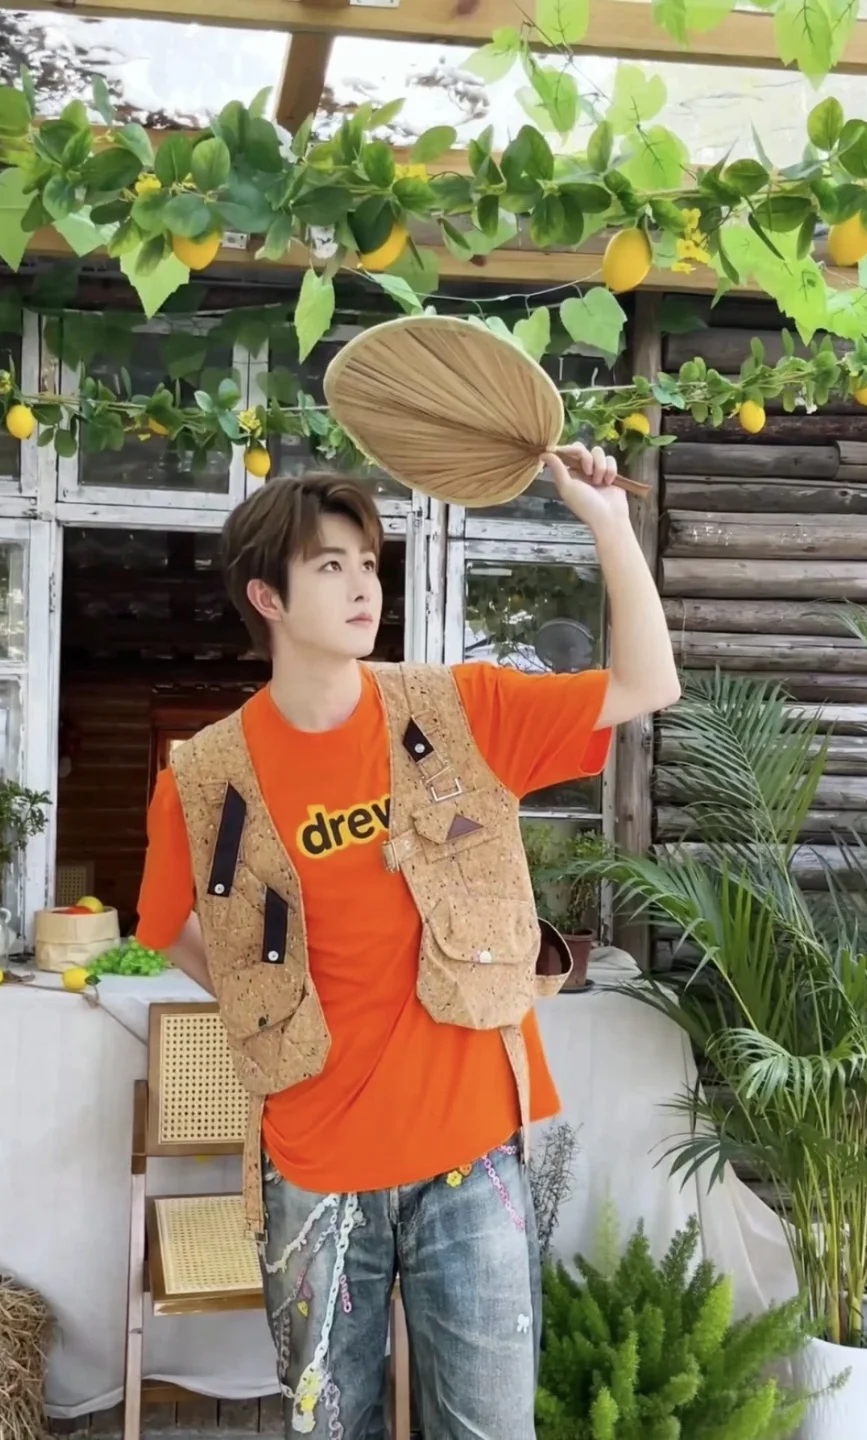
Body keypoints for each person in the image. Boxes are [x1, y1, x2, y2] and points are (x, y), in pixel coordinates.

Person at [134, 445, 680, 1440]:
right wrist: (270, 1005)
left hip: (471, 1160)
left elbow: (649, 682)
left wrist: (605, 519)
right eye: (329, 566)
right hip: (314, 1170)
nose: (362, 586)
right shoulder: (207, 778)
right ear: (267, 596)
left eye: (367, 563)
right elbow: (167, 923)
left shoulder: (458, 712)